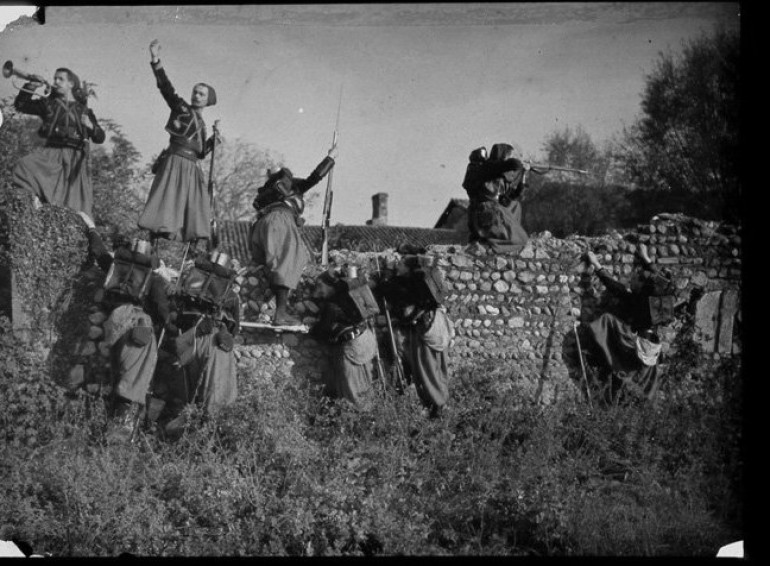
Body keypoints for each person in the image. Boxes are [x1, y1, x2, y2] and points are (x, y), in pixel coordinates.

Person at [79, 212, 173, 441]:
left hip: (114, 322)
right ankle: (120, 434)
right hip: (138, 326)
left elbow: (99, 252)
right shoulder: (155, 279)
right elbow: (162, 311)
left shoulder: (116, 267)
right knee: (135, 378)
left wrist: (91, 229)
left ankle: (110, 429)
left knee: (118, 373)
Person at [137, 39, 219, 250]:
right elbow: (166, 89)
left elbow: (200, 154)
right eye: (195, 91)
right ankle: (154, 243)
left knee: (194, 206)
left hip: (191, 167)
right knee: (166, 202)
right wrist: (156, 61)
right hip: (174, 161)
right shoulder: (181, 108)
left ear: (207, 100)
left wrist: (212, 142)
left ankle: (190, 246)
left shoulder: (202, 125)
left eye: (201, 93)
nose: (196, 95)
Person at [152, 251, 240, 437]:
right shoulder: (230, 295)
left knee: (185, 394)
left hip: (187, 341)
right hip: (215, 343)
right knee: (216, 397)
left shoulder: (188, 282)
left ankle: (172, 435)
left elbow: (174, 313)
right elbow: (234, 329)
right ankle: (208, 440)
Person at [250, 143, 337, 326]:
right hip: (280, 222)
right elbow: (315, 178)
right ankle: (280, 314)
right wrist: (330, 158)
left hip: (262, 224)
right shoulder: (292, 187)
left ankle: (273, 306)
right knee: (291, 260)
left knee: (276, 263)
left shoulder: (267, 192)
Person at [581, 243, 678, 404]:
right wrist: (646, 258)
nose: (629, 283)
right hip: (653, 346)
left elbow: (613, 286)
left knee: (606, 320)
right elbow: (664, 281)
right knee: (642, 387)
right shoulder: (657, 296)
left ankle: (597, 355)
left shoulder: (638, 298)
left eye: (633, 280)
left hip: (636, 344)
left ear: (640, 283)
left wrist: (596, 264)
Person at [12, 67, 105, 215]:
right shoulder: (48, 104)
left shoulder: (85, 111)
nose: (55, 81)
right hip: (51, 154)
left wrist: (91, 126)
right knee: (24, 165)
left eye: (60, 79)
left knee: (72, 207)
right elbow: (21, 105)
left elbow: (100, 138)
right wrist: (30, 86)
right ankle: (35, 204)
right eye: (55, 78)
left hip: (75, 159)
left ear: (71, 83)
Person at [378, 257, 453, 418]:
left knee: (426, 368)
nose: (398, 267)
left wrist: (385, 280)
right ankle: (439, 404)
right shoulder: (424, 281)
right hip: (438, 324)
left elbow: (395, 298)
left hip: (424, 329)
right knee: (438, 367)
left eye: (401, 264)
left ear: (408, 268)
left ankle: (436, 407)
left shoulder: (410, 283)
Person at [310, 267, 380, 409]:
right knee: (364, 385)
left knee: (352, 390)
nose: (319, 291)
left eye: (321, 286)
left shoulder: (332, 306)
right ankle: (368, 418)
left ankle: (361, 421)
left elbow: (322, 330)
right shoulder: (348, 297)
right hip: (365, 339)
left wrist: (312, 329)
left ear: (329, 285)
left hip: (351, 348)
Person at [461, 142, 530, 251]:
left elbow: (513, 196)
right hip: (485, 213)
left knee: (515, 205)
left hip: (494, 210)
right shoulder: (487, 168)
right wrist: (520, 163)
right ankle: (490, 247)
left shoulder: (498, 174)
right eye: (509, 155)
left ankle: (501, 240)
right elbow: (514, 164)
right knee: (521, 240)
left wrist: (524, 173)